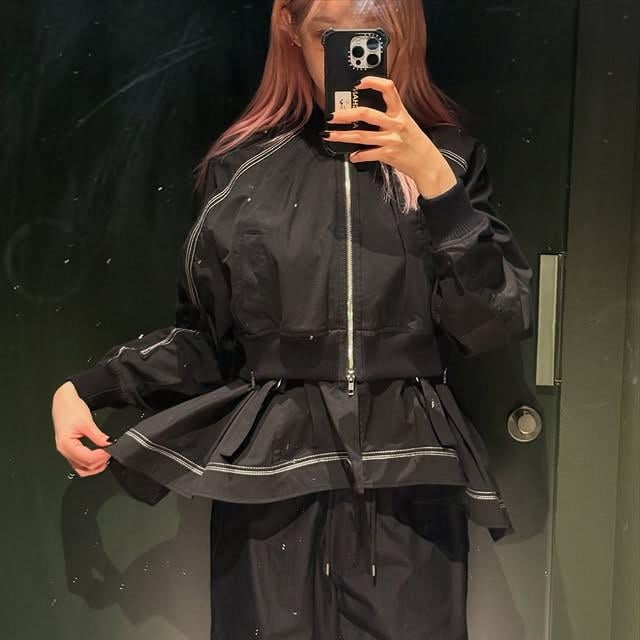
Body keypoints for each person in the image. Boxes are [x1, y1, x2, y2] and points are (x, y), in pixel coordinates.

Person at [51, 1, 534, 638]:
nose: (353, 54)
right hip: (272, 478)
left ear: (404, 33)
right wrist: (91, 387)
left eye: (373, 34)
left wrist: (434, 183)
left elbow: (495, 318)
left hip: (409, 474)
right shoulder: (241, 171)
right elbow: (207, 341)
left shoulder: (451, 162)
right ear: (291, 30)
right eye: (330, 35)